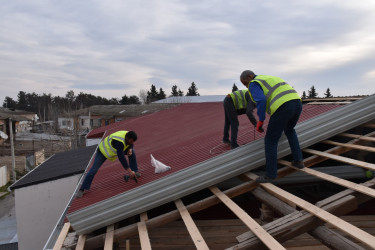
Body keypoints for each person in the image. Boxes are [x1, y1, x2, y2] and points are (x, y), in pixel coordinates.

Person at [240, 70, 305, 183]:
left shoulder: (254, 83)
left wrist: (261, 120)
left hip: (283, 106)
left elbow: (261, 100)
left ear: (250, 76)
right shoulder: (268, 78)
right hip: (297, 103)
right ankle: (299, 161)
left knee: (270, 140)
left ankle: (270, 175)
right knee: (290, 130)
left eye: (245, 83)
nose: (246, 86)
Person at [76, 130, 140, 197]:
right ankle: (82, 189)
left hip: (115, 150)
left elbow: (131, 144)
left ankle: (134, 172)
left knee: (132, 152)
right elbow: (121, 158)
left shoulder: (128, 135)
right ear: (128, 138)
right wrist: (129, 171)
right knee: (94, 169)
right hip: (103, 151)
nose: (132, 143)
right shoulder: (119, 142)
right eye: (131, 141)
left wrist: (130, 149)